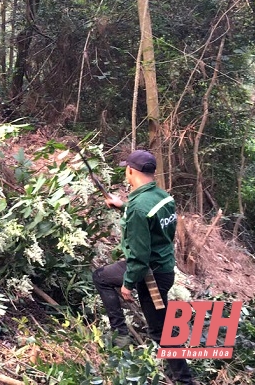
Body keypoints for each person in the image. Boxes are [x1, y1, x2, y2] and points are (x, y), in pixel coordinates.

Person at [92, 150, 194, 384]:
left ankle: (184, 380)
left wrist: (128, 284)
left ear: (130, 171)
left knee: (160, 331)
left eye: (126, 169)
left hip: (149, 275)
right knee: (161, 326)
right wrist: (122, 206)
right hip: (164, 269)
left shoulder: (138, 207)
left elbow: (139, 256)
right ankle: (176, 372)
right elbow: (150, 219)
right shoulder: (163, 197)